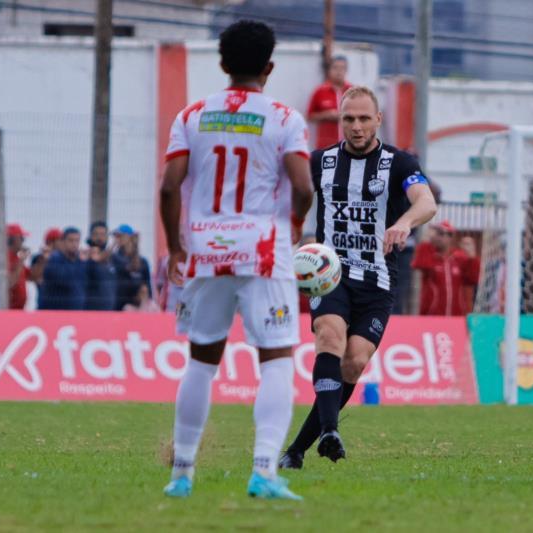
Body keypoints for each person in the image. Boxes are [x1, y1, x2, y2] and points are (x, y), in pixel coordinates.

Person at [159, 20, 313, 500]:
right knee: (276, 358)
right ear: (270, 67)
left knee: (202, 361)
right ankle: (264, 470)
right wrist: (293, 224)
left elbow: (169, 187)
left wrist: (177, 247)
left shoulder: (192, 115)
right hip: (264, 252)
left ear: (223, 65)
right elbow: (304, 187)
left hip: (205, 250)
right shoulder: (285, 118)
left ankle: (181, 473)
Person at [279, 85, 437, 469]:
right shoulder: (320, 162)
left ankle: (296, 450)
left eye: (364, 118)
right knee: (329, 336)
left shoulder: (399, 164)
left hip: (379, 281)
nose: (356, 126)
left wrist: (403, 222)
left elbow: (426, 201)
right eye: (348, 119)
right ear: (339, 121)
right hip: (330, 275)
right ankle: (331, 430)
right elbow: (285, 195)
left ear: (378, 120)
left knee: (354, 361)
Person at [412, 221, 481, 316]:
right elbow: (420, 264)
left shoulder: (459, 258)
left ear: (451, 237)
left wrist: (472, 258)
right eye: (436, 233)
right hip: (431, 315)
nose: (437, 237)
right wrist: (426, 241)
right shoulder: (430, 255)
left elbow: (473, 279)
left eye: (441, 233)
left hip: (457, 315)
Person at [307, 55, 352, 150]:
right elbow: (309, 116)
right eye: (335, 67)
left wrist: (346, 116)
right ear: (329, 70)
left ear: (346, 70)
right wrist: (326, 115)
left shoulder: (353, 91)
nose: (339, 71)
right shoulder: (320, 91)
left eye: (342, 68)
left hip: (349, 145)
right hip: (326, 146)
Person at [38, 227, 86, 310]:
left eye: (77, 240)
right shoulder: (54, 259)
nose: (74, 244)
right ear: (63, 242)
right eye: (71, 240)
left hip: (76, 313)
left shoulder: (80, 261)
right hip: (56, 313)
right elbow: (65, 280)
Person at [111, 225, 152, 311]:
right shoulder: (114, 258)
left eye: (120, 236)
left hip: (135, 308)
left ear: (129, 237)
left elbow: (147, 287)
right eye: (116, 236)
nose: (117, 239)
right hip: (117, 307)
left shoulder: (143, 261)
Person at [84, 221, 117, 311]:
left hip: (110, 310)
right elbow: (98, 258)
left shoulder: (113, 259)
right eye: (96, 234)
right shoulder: (86, 255)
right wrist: (115, 243)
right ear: (90, 236)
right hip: (90, 310)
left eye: (102, 234)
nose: (99, 237)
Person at [6, 223, 31, 310]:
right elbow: (10, 283)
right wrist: (21, 260)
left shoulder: (15, 258)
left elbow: (31, 276)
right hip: (8, 311)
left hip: (18, 310)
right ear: (13, 239)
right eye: (21, 238)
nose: (23, 241)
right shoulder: (5, 259)